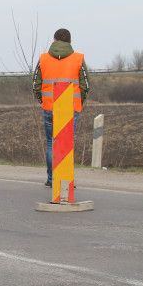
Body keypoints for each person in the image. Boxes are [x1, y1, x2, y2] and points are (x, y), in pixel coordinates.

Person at [33, 28, 90, 187]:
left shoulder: (43, 59)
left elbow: (35, 85)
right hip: (71, 107)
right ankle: (65, 180)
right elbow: (85, 85)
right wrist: (79, 102)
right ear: (70, 42)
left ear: (54, 40)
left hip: (50, 107)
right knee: (66, 143)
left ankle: (52, 179)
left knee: (52, 143)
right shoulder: (78, 58)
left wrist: (43, 101)